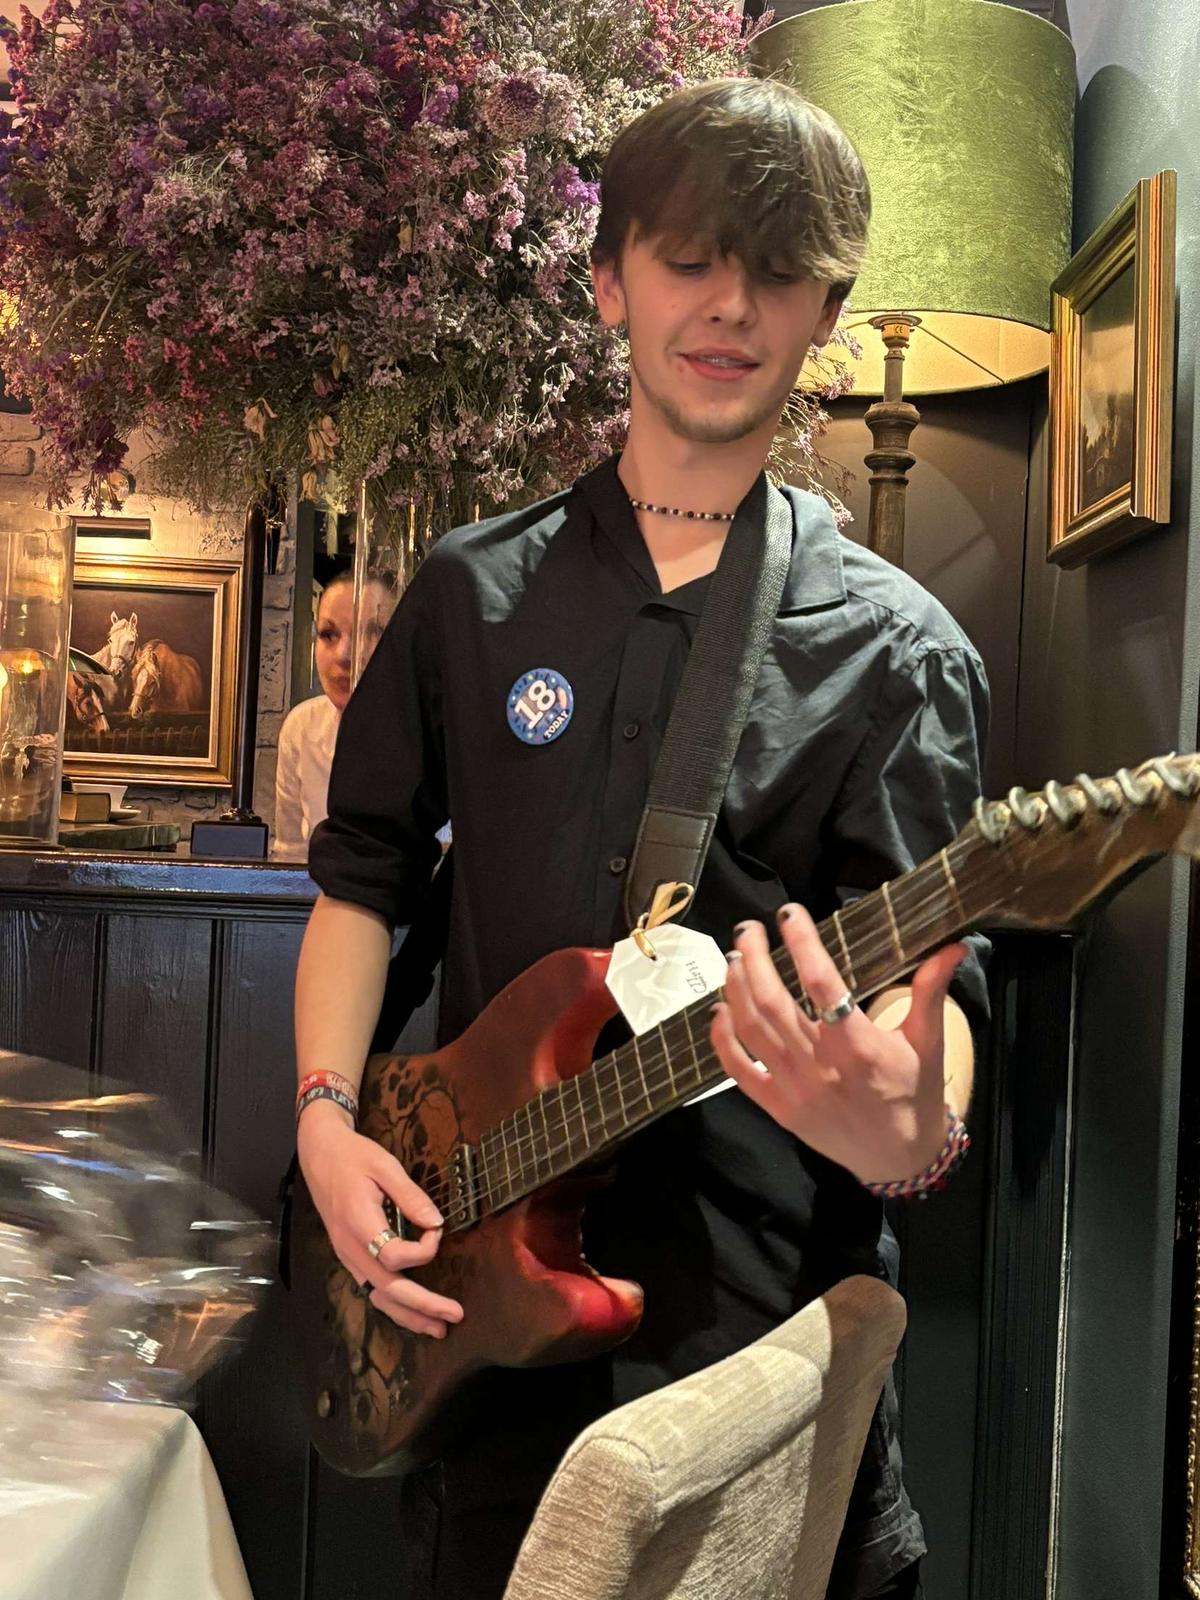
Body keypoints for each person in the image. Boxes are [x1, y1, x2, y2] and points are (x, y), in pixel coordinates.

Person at [294, 78, 989, 1600]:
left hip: (749, 1393)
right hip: (483, 1358)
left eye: (778, 269)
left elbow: (931, 1009)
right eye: (687, 256)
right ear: (611, 280)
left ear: (825, 313)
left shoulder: (899, 656)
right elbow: (362, 876)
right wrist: (327, 1122)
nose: (730, 303)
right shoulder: (471, 596)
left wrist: (904, 1124)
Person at [272, 574, 392, 862]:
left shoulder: (440, 733)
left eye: (371, 631)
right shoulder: (301, 727)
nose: (344, 654)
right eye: (328, 634)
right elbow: (290, 857)